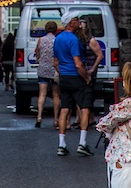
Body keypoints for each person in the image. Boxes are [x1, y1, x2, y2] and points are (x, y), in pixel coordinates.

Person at [53, 11, 93, 157]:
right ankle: (82, 143)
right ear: (71, 23)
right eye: (76, 20)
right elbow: (78, 64)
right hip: (76, 77)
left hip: (64, 77)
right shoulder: (74, 40)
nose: (78, 22)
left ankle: (61, 144)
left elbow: (55, 62)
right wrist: (86, 77)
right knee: (85, 108)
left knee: (65, 109)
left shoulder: (57, 39)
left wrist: (62, 72)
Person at [76, 18, 104, 138]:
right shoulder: (80, 39)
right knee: (82, 94)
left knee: (87, 94)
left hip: (89, 70)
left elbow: (100, 55)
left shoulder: (91, 41)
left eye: (82, 24)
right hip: (83, 69)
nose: (80, 26)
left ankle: (88, 119)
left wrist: (93, 68)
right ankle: (84, 118)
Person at [34, 19, 60, 129]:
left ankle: (39, 117)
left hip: (43, 69)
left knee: (42, 94)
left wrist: (39, 59)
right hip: (54, 70)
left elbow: (37, 52)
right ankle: (55, 120)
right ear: (55, 30)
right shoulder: (57, 40)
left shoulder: (41, 39)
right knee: (56, 95)